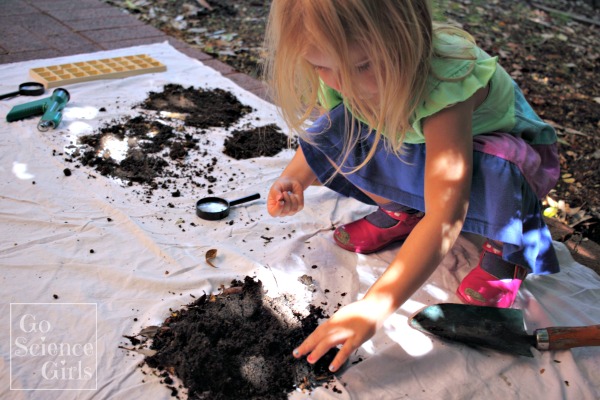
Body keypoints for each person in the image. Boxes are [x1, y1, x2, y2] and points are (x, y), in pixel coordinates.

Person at [263, 0, 560, 373]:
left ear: (407, 38)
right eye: (321, 66)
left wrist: (373, 307)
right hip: (416, 142)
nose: (341, 82)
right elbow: (331, 128)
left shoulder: (444, 88)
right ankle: (402, 209)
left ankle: (506, 248)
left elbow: (446, 214)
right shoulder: (343, 72)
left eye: (362, 66)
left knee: (494, 167)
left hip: (505, 165)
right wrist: (295, 177)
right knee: (346, 121)